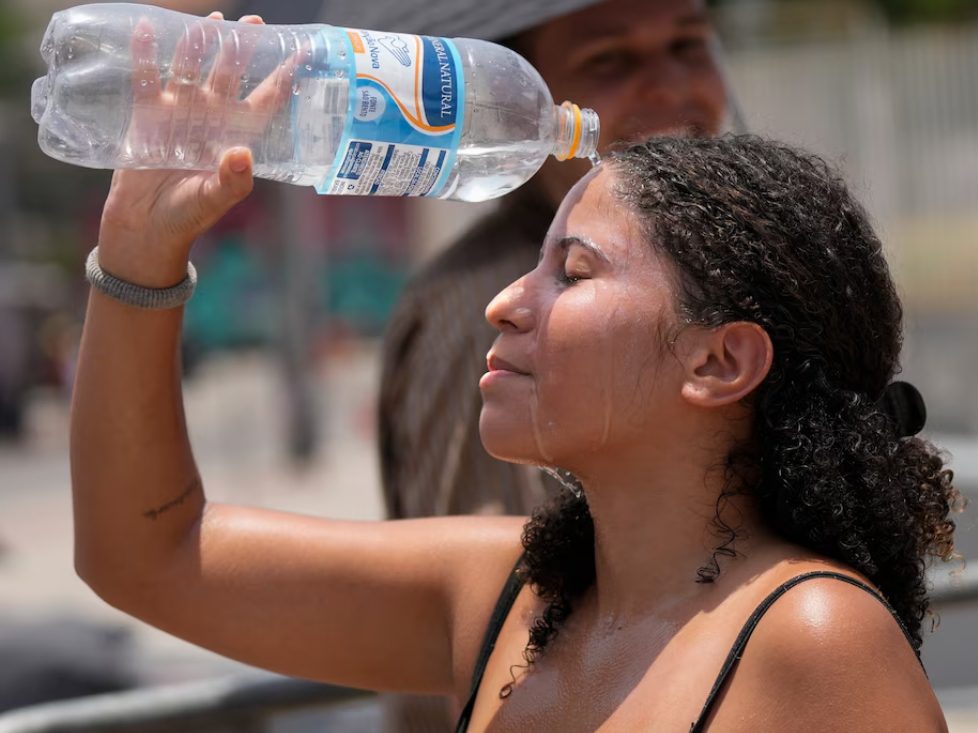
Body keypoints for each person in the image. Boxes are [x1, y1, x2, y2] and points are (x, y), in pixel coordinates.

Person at [70, 17, 957, 723]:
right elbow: (148, 554)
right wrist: (138, 258)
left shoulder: (813, 639)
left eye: (570, 272)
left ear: (719, 360)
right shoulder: (504, 594)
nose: (503, 302)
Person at [377, 0, 731, 521]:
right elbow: (499, 587)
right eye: (609, 59)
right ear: (513, 98)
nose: (671, 88)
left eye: (686, 45)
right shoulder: (491, 312)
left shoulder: (705, 263)